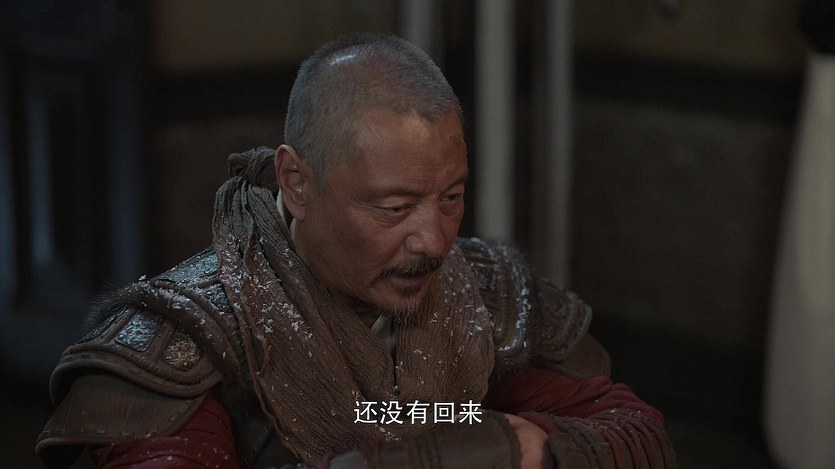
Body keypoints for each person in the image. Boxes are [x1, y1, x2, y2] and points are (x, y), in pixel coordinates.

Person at [36, 33, 675, 468]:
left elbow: (637, 433)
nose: (434, 241)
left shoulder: (482, 292)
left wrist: (533, 444)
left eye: (452, 197)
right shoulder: (193, 333)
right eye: (393, 208)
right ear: (296, 182)